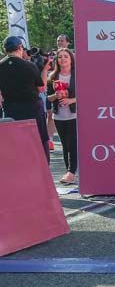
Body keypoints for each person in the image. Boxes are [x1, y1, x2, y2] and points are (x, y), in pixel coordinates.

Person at [0, 36, 48, 161]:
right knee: (39, 141)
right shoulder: (29, 65)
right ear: (20, 47)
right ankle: (42, 168)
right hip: (33, 111)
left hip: (11, 111)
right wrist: (45, 70)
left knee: (15, 143)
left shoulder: (1, 66)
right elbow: (41, 88)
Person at [46, 48, 77, 184]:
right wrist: (55, 95)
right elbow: (48, 97)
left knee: (73, 144)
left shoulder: (77, 75)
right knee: (65, 145)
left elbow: (86, 94)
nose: (63, 59)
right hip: (59, 116)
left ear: (71, 59)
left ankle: (71, 172)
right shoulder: (52, 76)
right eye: (60, 57)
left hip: (75, 115)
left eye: (66, 56)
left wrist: (71, 100)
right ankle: (68, 171)